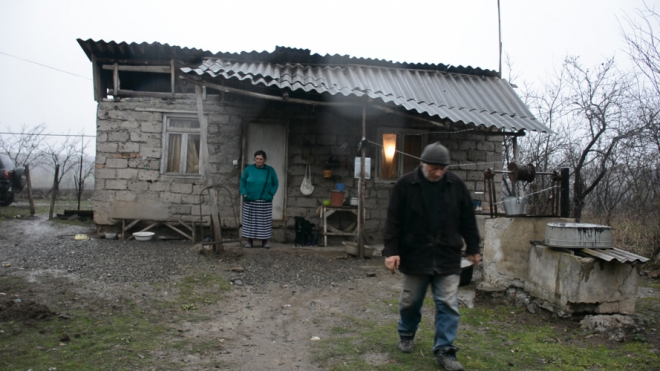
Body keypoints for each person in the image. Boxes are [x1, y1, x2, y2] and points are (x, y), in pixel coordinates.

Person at [383, 142, 481, 371]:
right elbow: (393, 220)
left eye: (442, 168)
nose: (438, 172)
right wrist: (391, 252)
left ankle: (445, 350)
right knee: (410, 301)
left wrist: (474, 247)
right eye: (433, 167)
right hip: (414, 255)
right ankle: (406, 334)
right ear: (423, 164)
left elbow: (468, 218)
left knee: (448, 304)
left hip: (447, 255)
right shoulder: (405, 185)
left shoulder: (455, 185)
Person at [240, 150, 279, 248]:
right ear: (254, 159)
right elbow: (242, 181)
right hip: (250, 199)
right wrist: (244, 194)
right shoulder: (248, 169)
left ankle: (264, 242)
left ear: (264, 160)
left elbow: (275, 183)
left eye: (260, 159)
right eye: (257, 159)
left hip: (264, 200)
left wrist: (270, 194)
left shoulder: (270, 170)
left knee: (264, 221)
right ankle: (249, 241)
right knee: (250, 221)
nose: (258, 161)